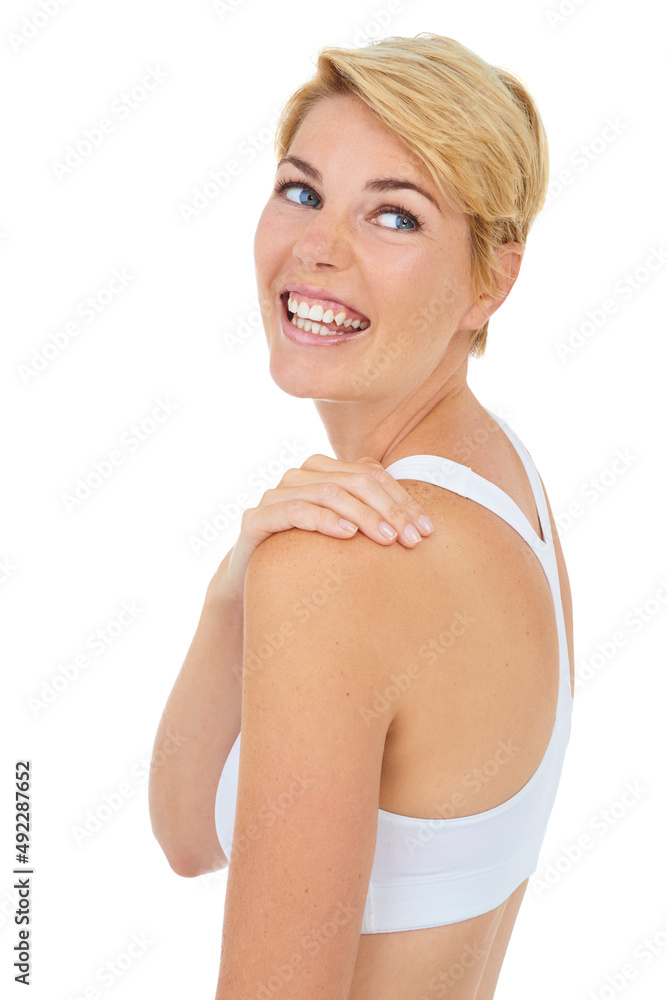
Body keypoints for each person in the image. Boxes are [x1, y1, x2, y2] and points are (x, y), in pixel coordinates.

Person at [149, 32, 575, 999]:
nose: (317, 248)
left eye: (393, 215)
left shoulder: (347, 563)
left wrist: (284, 573)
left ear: (490, 282)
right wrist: (234, 590)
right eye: (302, 192)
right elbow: (185, 838)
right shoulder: (504, 480)